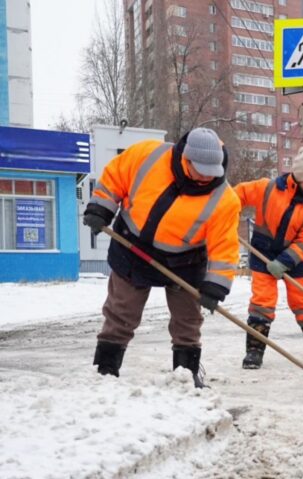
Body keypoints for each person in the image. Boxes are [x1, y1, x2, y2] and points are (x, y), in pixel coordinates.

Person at [82, 127, 240, 387]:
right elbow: (115, 178)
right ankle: (106, 369)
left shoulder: (225, 199)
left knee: (188, 319)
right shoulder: (148, 154)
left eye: (211, 172)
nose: (205, 177)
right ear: (185, 158)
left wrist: (216, 286)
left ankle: (186, 374)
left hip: (184, 262)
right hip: (132, 247)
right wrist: (101, 207)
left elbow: (225, 247)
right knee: (121, 311)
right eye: (199, 169)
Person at [235, 147, 303, 369]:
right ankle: (254, 352)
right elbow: (237, 195)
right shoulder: (267, 188)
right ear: (299, 178)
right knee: (262, 301)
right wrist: (228, 214)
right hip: (264, 251)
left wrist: (285, 261)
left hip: (295, 258)